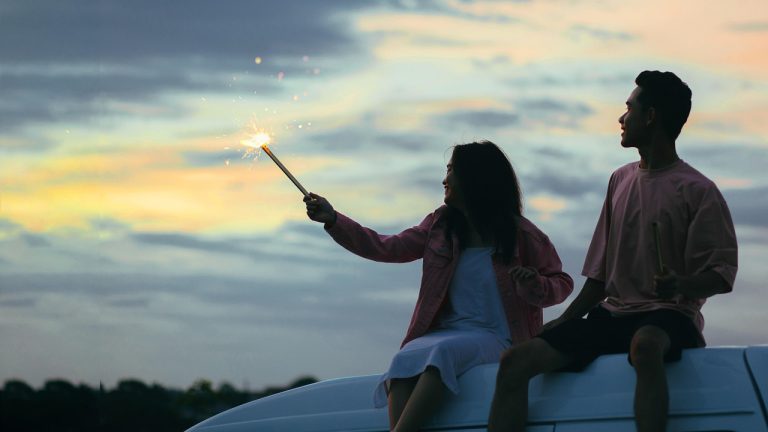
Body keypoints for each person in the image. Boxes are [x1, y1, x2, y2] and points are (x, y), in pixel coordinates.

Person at [487, 71, 739, 432]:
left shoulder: (699, 190)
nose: (622, 119)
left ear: (650, 116)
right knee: (514, 361)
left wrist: (680, 283)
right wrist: (567, 319)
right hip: (613, 316)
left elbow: (721, 275)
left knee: (646, 346)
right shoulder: (619, 180)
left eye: (629, 108)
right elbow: (601, 278)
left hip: (670, 317)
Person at [304, 141, 573, 432]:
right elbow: (387, 248)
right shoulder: (439, 226)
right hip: (448, 333)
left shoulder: (523, 234)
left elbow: (561, 284)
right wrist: (333, 220)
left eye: (451, 171)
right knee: (406, 356)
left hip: (498, 337)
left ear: (474, 178)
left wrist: (534, 284)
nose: (445, 179)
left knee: (442, 353)